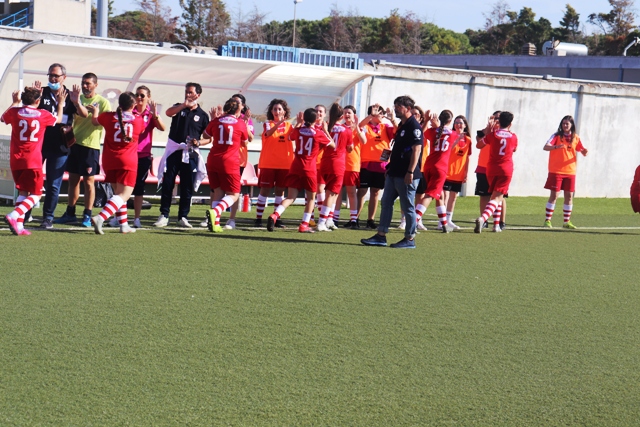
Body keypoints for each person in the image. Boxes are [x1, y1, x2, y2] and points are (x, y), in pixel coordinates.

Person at [361, 95, 423, 248]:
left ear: (408, 109)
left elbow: (416, 151)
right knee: (386, 202)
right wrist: (389, 168)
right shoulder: (402, 125)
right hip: (394, 172)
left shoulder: (414, 127)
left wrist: (410, 172)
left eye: (398, 106)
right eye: (395, 105)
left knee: (407, 206)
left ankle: (409, 239)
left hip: (406, 174)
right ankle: (381, 236)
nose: (395, 109)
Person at [2, 87, 64, 235]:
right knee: (36, 194)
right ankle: (14, 215)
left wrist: (14, 103)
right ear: (38, 101)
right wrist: (60, 104)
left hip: (16, 160)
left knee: (23, 192)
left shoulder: (15, 112)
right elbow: (59, 120)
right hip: (33, 160)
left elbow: (3, 118)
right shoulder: (42, 114)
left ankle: (19, 226)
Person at [55, 72, 111, 227]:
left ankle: (87, 214)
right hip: (74, 145)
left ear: (95, 85)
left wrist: (95, 113)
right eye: (83, 83)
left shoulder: (103, 102)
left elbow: (101, 124)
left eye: (88, 83)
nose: (85, 86)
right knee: (73, 180)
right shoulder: (76, 99)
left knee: (89, 181)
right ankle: (70, 213)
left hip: (90, 147)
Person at [266, 108, 332, 233]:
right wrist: (326, 131)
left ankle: (275, 215)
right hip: (309, 169)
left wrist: (299, 123)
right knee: (311, 198)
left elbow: (290, 137)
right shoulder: (318, 133)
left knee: (291, 197)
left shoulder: (298, 130)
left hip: (295, 166)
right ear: (315, 119)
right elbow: (333, 145)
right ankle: (304, 224)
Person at [109, 85, 166, 228]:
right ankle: (119, 218)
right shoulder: (129, 111)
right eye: (137, 95)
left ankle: (136, 219)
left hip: (143, 155)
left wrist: (155, 114)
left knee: (139, 188)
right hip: (128, 155)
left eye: (142, 95)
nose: (139, 98)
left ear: (148, 97)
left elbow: (162, 128)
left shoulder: (150, 113)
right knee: (120, 188)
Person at [154, 82, 209, 228]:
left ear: (198, 94)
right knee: (168, 183)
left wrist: (199, 142)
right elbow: (168, 112)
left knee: (187, 186)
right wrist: (183, 105)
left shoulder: (203, 115)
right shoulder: (179, 107)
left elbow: (209, 137)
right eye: (186, 92)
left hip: (190, 154)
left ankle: (183, 216)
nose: (188, 95)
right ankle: (164, 214)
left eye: (190, 92)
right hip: (174, 151)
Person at [89, 92, 145, 234]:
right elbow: (142, 129)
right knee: (123, 195)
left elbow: (94, 121)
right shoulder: (138, 120)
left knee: (118, 194)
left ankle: (123, 224)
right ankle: (101, 217)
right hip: (127, 160)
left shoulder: (108, 116)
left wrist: (95, 112)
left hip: (109, 159)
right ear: (133, 105)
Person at [35, 63, 81, 229]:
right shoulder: (42, 93)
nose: (53, 79)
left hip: (61, 145)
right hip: (40, 144)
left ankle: (48, 218)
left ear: (64, 78)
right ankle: (24, 214)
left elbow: (83, 114)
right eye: (50, 75)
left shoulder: (70, 95)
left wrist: (76, 102)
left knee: (53, 184)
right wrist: (36, 99)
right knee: (32, 180)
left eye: (56, 76)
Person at [202, 98, 249, 232]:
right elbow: (245, 142)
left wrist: (214, 121)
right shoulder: (240, 123)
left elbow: (205, 134)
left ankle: (215, 223)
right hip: (229, 161)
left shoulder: (216, 121)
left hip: (213, 159)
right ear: (237, 109)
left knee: (218, 191)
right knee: (234, 194)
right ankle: (216, 211)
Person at [414, 110, 463, 233]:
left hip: (429, 165)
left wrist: (429, 122)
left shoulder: (433, 131)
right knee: (430, 195)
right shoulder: (453, 134)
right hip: (440, 168)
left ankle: (444, 224)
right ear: (450, 121)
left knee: (439, 195)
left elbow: (424, 132)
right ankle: (413, 221)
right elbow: (452, 143)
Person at [474, 111, 518, 233]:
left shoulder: (492, 135)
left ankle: (496, 225)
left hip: (491, 168)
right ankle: (483, 218)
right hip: (505, 169)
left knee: (495, 195)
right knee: (497, 197)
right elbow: (514, 149)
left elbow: (479, 145)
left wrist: (488, 133)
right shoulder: (513, 136)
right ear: (510, 124)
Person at [542, 115, 588, 229]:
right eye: (563, 123)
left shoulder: (575, 138)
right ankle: (547, 220)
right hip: (556, 170)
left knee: (569, 196)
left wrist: (584, 151)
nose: (565, 125)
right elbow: (546, 147)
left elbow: (581, 149)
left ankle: (566, 222)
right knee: (554, 195)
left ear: (572, 125)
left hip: (570, 171)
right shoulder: (556, 136)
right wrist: (556, 147)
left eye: (567, 124)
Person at [254, 99, 293, 227]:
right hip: (268, 163)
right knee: (264, 191)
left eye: (279, 109)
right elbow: (269, 133)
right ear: (271, 111)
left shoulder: (289, 126)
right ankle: (258, 219)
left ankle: (276, 218)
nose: (277, 111)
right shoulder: (268, 124)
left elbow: (295, 136)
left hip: (285, 164)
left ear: (284, 111)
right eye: (275, 109)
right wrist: (278, 124)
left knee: (280, 192)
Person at [357, 103, 396, 229]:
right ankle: (355, 218)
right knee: (362, 191)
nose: (382, 115)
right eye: (379, 113)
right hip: (366, 163)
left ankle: (370, 219)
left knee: (375, 192)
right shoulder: (365, 126)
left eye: (382, 113)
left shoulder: (385, 127)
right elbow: (359, 126)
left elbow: (397, 131)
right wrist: (370, 116)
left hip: (381, 164)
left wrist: (392, 119)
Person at [317, 103, 352, 232]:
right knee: (331, 194)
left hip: (324, 163)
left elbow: (320, 146)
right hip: (337, 164)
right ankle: (322, 222)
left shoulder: (326, 128)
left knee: (333, 193)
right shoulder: (347, 130)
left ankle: (329, 219)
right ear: (341, 116)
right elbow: (350, 148)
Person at [223, 93, 254, 229]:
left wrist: (246, 123)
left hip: (238, 159)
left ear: (243, 106)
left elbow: (250, 139)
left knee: (234, 190)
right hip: (223, 157)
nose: (235, 104)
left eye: (238, 102)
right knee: (217, 189)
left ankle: (231, 219)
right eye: (233, 101)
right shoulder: (224, 118)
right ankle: (214, 217)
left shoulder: (245, 120)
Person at [334, 105, 366, 229]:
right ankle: (334, 219)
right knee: (336, 192)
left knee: (351, 193)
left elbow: (363, 141)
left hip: (353, 165)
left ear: (354, 115)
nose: (347, 115)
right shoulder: (339, 128)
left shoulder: (359, 129)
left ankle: (354, 220)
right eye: (345, 113)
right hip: (339, 164)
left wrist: (356, 127)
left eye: (349, 113)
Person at [440, 115, 472, 230]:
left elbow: (467, 157)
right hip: (448, 171)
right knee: (445, 195)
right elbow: (447, 150)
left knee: (453, 197)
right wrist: (457, 139)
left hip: (459, 173)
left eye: (461, 123)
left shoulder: (468, 140)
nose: (458, 124)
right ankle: (442, 221)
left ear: (465, 125)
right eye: (456, 122)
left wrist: (466, 173)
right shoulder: (450, 136)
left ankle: (449, 220)